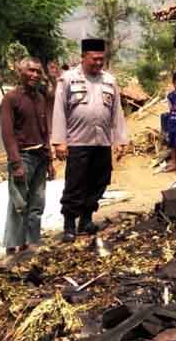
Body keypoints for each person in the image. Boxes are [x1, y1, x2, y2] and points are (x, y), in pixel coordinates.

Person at [51, 39, 129, 242]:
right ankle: (69, 224)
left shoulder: (109, 81)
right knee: (75, 184)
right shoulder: (68, 79)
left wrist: (120, 140)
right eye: (94, 59)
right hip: (77, 142)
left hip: (102, 142)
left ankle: (86, 220)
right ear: (83, 57)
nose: (98, 63)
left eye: (101, 59)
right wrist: (59, 141)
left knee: (99, 181)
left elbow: (116, 112)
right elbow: (59, 110)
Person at [0, 57, 55, 254]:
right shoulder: (11, 98)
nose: (35, 75)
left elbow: (44, 130)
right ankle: (12, 244)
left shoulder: (40, 98)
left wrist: (49, 160)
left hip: (40, 156)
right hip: (22, 157)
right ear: (20, 72)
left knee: (37, 203)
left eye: (38, 72)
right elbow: (7, 133)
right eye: (30, 71)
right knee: (19, 204)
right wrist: (16, 163)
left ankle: (32, 242)